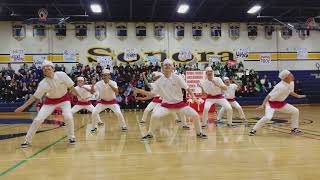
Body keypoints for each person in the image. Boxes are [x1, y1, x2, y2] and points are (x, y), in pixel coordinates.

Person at [15, 60, 82, 148]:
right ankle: (27, 140)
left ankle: (71, 137)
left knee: (68, 116)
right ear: (43, 72)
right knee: (38, 120)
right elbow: (35, 97)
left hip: (64, 100)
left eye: (48, 68)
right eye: (44, 69)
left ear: (53, 69)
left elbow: (71, 86)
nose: (46, 69)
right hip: (50, 102)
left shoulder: (62, 75)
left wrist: (79, 96)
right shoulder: (43, 83)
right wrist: (23, 107)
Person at [136, 59, 207, 139]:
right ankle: (150, 133)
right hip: (166, 106)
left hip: (180, 105)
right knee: (155, 116)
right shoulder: (159, 82)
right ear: (162, 68)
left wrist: (194, 98)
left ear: (172, 68)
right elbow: (152, 94)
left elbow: (187, 88)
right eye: (165, 65)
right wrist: (140, 93)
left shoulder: (177, 78)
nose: (167, 66)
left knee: (195, 115)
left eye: (169, 65)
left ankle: (199, 133)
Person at [249, 70, 306, 136]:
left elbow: (290, 91)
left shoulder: (291, 83)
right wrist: (263, 105)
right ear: (286, 77)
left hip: (281, 103)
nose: (292, 75)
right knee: (268, 117)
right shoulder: (279, 86)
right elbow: (268, 95)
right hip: (271, 103)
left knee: (295, 111)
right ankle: (254, 129)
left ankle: (294, 129)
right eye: (290, 74)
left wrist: (298, 96)